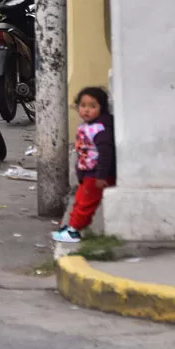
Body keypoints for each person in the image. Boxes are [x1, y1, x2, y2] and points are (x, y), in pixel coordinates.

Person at [54, 86, 116, 244]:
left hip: (96, 174)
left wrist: (101, 176)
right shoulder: (86, 126)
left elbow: (105, 155)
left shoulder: (101, 129)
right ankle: (71, 227)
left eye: (92, 106)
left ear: (101, 108)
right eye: (83, 105)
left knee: (86, 204)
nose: (86, 110)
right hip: (87, 173)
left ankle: (75, 231)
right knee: (80, 201)